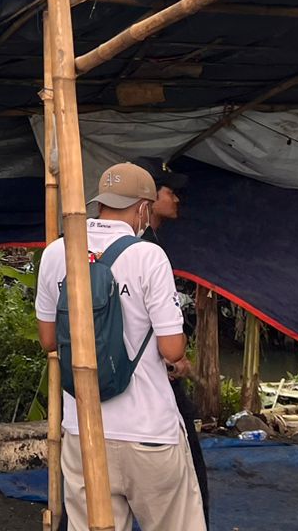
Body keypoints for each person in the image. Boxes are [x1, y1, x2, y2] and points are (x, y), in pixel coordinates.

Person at [35, 161, 205, 531]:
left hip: (83, 431)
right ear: (144, 208)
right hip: (149, 434)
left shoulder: (55, 254)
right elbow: (172, 349)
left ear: (101, 203)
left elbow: (49, 340)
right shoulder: (148, 256)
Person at [137, 159, 207, 526]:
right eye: (170, 191)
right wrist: (173, 360)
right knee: (183, 475)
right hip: (153, 378)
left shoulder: (148, 244)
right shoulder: (145, 251)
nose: (177, 199)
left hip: (147, 374)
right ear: (148, 199)